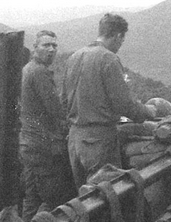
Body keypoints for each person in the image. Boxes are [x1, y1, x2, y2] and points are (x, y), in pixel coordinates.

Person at [62, 13, 156, 188]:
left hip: (74, 140)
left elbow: (63, 102)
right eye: (122, 40)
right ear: (118, 36)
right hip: (98, 142)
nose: (120, 45)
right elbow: (124, 104)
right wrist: (147, 112)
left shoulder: (74, 57)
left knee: (84, 201)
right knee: (106, 198)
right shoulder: (108, 58)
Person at [19, 30, 76, 222]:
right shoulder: (39, 72)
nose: (51, 49)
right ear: (35, 48)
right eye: (46, 45)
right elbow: (56, 110)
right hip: (43, 145)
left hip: (29, 143)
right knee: (57, 199)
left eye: (54, 45)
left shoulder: (27, 69)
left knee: (32, 198)